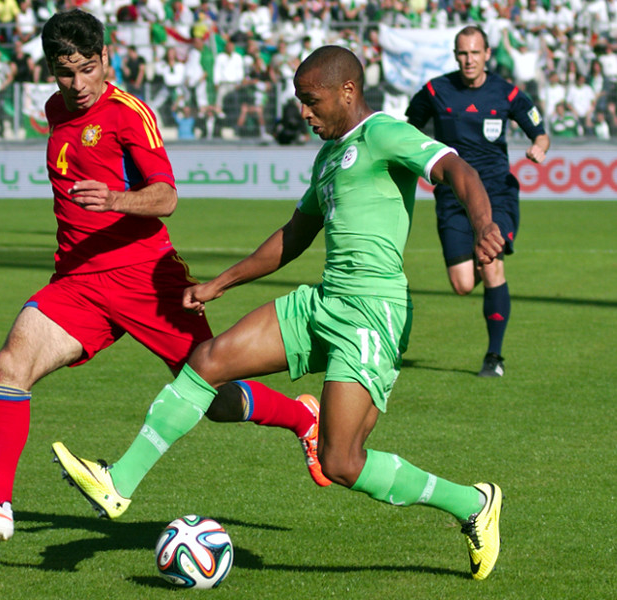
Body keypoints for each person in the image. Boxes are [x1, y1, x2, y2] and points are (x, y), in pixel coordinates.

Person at [55, 44, 506, 581]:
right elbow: (294, 236)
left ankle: (472, 503)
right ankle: (119, 483)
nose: (304, 113)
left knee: (341, 463)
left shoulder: (386, 132)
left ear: (348, 92)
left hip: (372, 314)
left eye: (312, 102)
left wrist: (482, 226)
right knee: (208, 359)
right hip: (322, 302)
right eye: (299, 102)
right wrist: (220, 283)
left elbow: (458, 169)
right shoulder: (328, 157)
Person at [0, 9, 330, 546]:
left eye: (87, 69)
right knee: (12, 363)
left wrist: (115, 199)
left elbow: (166, 197)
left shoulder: (128, 115)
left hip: (145, 280)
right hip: (77, 282)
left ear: (106, 59)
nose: (76, 84)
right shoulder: (56, 109)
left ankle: (302, 418)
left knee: (211, 396)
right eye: (64, 72)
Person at [406, 25, 550, 377]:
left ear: (487, 54)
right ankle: (478, 261)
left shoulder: (507, 92)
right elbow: (409, 127)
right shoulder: (434, 90)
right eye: (462, 53)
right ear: (456, 55)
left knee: (491, 260)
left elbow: (540, 132)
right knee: (463, 285)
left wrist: (538, 148)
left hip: (496, 192)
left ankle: (494, 358)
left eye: (475, 53)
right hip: (452, 198)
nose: (469, 60)